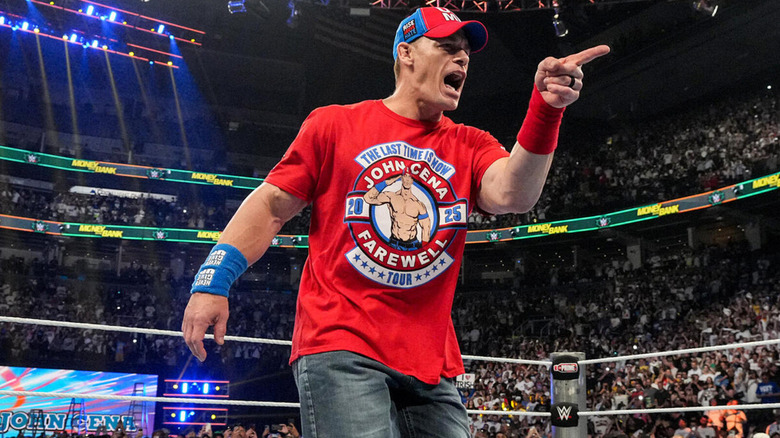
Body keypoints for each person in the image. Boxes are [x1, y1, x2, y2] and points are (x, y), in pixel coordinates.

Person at [182, 6, 609, 437]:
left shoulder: (469, 143)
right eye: (447, 47)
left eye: (466, 53)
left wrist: (546, 110)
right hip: (341, 344)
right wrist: (212, 280)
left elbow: (514, 194)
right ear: (406, 53)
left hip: (432, 361)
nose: (462, 59)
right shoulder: (335, 124)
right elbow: (272, 205)